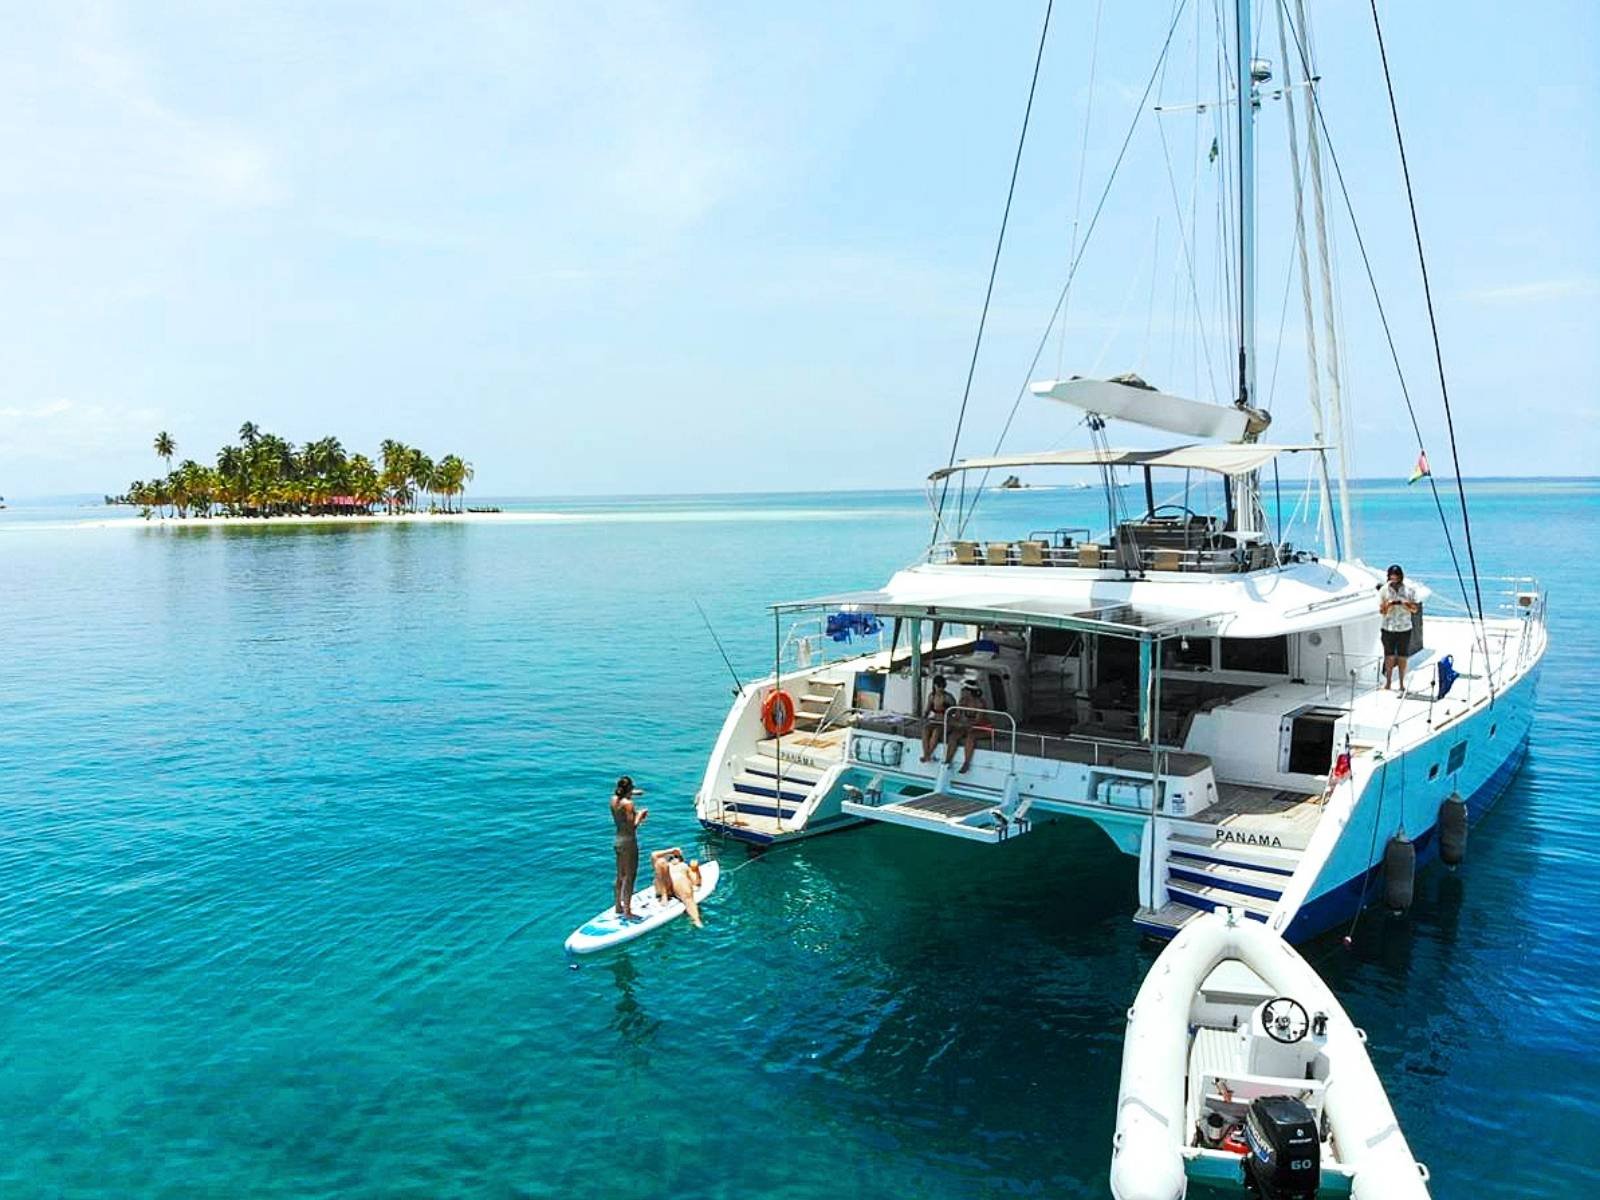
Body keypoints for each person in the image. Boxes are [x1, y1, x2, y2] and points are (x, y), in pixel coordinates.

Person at [610, 776, 648, 920]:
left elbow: (622, 797)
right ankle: (628, 911)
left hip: (618, 841)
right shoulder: (629, 805)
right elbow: (632, 826)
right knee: (630, 876)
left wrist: (634, 793)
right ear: (629, 789)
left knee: (620, 875)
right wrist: (640, 815)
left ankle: (618, 906)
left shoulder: (613, 800)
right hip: (629, 843)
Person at [1379, 564, 1420, 691]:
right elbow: (1382, 611)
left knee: (1402, 656)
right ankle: (1388, 682)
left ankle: (1402, 683)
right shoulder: (1384, 590)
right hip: (1388, 627)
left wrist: (1405, 603)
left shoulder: (1409, 590)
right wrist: (1389, 604)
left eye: (1396, 578)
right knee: (1389, 656)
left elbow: (1415, 610)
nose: (1394, 580)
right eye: (1392, 578)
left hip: (1404, 628)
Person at [649, 846, 705, 928]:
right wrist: (672, 850)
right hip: (663, 884)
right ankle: (664, 895)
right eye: (671, 857)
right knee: (661, 862)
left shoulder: (684, 866)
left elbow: (696, 883)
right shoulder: (663, 865)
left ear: (680, 859)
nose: (673, 858)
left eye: (676, 857)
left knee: (687, 895)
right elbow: (654, 855)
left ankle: (696, 920)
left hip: (679, 884)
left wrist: (696, 870)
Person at [945, 677, 986, 774]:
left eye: (964, 690)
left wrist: (963, 724)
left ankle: (966, 763)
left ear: (969, 691)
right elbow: (958, 716)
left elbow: (978, 720)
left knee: (970, 737)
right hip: (967, 725)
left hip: (981, 726)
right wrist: (955, 722)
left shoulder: (979, 703)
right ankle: (948, 760)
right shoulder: (963, 701)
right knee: (953, 736)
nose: (962, 691)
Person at [919, 674, 955, 762]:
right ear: (935, 686)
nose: (941, 689)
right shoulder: (932, 696)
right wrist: (923, 718)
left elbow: (954, 710)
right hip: (935, 720)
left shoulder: (948, 697)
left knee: (936, 732)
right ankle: (925, 752)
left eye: (943, 687)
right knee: (925, 730)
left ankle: (928, 754)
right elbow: (927, 710)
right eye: (939, 687)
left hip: (945, 721)